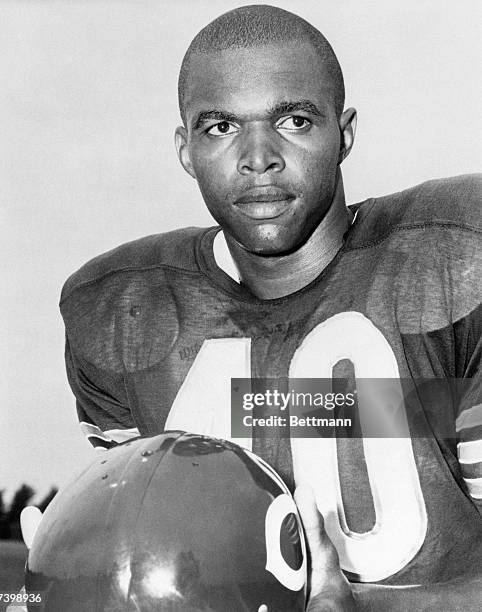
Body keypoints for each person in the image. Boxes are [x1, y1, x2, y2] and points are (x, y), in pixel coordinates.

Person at [60, 5, 482, 610]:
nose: (259, 156)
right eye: (221, 128)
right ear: (185, 150)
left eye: (293, 120)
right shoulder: (124, 312)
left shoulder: (456, 264)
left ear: (345, 133)